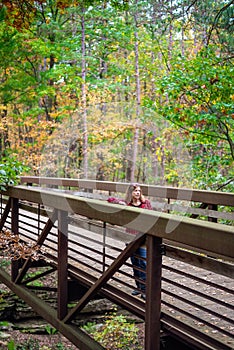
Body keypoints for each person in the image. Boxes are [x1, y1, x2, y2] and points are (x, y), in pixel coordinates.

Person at [125, 183, 152, 300]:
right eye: (135, 191)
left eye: (139, 191)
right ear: (130, 192)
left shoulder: (146, 204)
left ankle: (146, 290)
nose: (137, 193)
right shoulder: (127, 205)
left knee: (144, 263)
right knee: (135, 263)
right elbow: (110, 200)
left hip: (144, 238)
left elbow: (152, 217)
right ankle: (139, 287)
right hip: (130, 237)